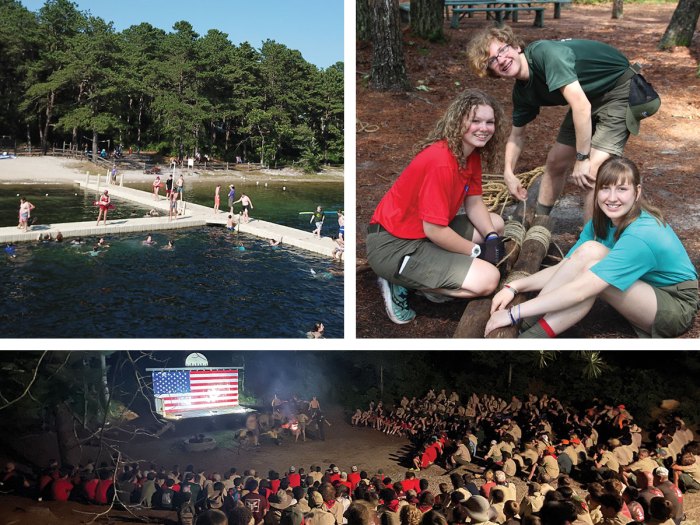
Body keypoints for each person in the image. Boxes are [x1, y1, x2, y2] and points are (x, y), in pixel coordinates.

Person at [485, 156, 698, 338]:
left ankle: (528, 337)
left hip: (672, 304)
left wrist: (514, 313)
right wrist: (515, 287)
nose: (612, 198)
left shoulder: (642, 234)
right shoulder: (600, 222)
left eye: (622, 189)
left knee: (591, 279)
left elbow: (580, 289)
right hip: (642, 287)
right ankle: (527, 324)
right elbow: (568, 267)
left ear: (637, 191)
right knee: (589, 251)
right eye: (605, 188)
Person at [466, 25, 660, 222]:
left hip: (619, 88)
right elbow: (517, 136)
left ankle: (590, 237)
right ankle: (540, 223)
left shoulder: (546, 55)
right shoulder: (523, 92)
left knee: (592, 172)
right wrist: (508, 172)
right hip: (588, 97)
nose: (501, 60)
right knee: (555, 161)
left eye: (502, 50)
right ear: (492, 71)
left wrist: (582, 158)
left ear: (516, 47)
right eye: (492, 60)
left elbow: (581, 107)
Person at [366, 89, 507, 324]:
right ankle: (401, 282)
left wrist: (491, 237)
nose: (484, 128)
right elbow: (435, 230)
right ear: (458, 121)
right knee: (489, 279)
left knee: (497, 224)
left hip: (421, 235)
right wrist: (476, 252)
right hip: (393, 246)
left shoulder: (470, 154)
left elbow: (473, 202)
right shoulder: (441, 162)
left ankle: (430, 279)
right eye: (475, 121)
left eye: (489, 122)